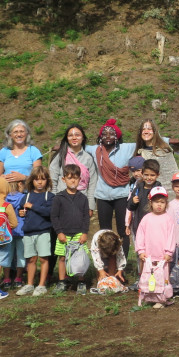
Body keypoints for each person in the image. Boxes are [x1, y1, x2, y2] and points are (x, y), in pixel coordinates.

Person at [86, 119, 135, 265]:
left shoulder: (127, 148)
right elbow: (78, 146)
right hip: (102, 196)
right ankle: (107, 264)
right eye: (104, 134)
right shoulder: (95, 150)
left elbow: (145, 142)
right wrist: (61, 147)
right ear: (100, 136)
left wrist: (169, 141)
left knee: (123, 231)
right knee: (104, 231)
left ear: (117, 136)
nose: (108, 136)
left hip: (122, 195)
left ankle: (122, 265)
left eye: (111, 133)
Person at [50, 164, 91, 294]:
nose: (72, 180)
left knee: (80, 258)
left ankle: (81, 281)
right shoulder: (59, 198)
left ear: (80, 179)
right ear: (64, 179)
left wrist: (84, 233)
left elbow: (86, 217)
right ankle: (62, 281)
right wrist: (59, 232)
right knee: (62, 258)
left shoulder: (83, 198)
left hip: (79, 234)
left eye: (75, 178)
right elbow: (54, 216)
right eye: (69, 178)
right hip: (64, 234)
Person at [135, 187, 177, 308]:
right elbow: (140, 235)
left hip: (162, 257)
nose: (159, 205)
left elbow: (171, 237)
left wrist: (169, 252)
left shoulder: (168, 219)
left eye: (162, 202)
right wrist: (141, 250)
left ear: (166, 204)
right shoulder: (146, 218)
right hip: (148, 256)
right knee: (148, 275)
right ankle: (149, 297)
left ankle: (161, 299)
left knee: (162, 278)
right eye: (156, 202)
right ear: (150, 203)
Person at [17, 166, 54, 296]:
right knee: (31, 259)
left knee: (44, 258)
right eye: (37, 179)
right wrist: (21, 212)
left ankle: (42, 285)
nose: (40, 182)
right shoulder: (26, 197)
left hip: (43, 231)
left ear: (47, 181)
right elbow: (21, 210)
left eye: (43, 179)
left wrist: (33, 206)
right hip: (28, 232)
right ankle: (29, 284)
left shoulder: (49, 196)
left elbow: (49, 212)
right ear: (32, 181)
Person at [49, 124, 97, 213]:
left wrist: (90, 205)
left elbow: (93, 183)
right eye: (71, 135)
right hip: (62, 201)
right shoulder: (60, 156)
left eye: (77, 135)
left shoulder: (88, 158)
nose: (74, 138)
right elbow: (52, 180)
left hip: (82, 201)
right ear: (67, 138)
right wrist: (54, 200)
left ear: (83, 138)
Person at [135, 118, 179, 188]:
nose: (146, 132)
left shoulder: (164, 151)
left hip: (167, 190)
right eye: (143, 129)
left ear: (154, 132)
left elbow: (173, 172)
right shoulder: (139, 152)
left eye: (149, 129)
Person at [0, 120, 42, 185]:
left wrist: (24, 177)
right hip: (7, 192)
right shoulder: (4, 151)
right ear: (10, 135)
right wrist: (2, 178)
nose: (19, 135)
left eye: (22, 131)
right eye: (15, 132)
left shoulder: (33, 151)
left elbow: (39, 176)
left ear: (27, 134)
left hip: (27, 192)